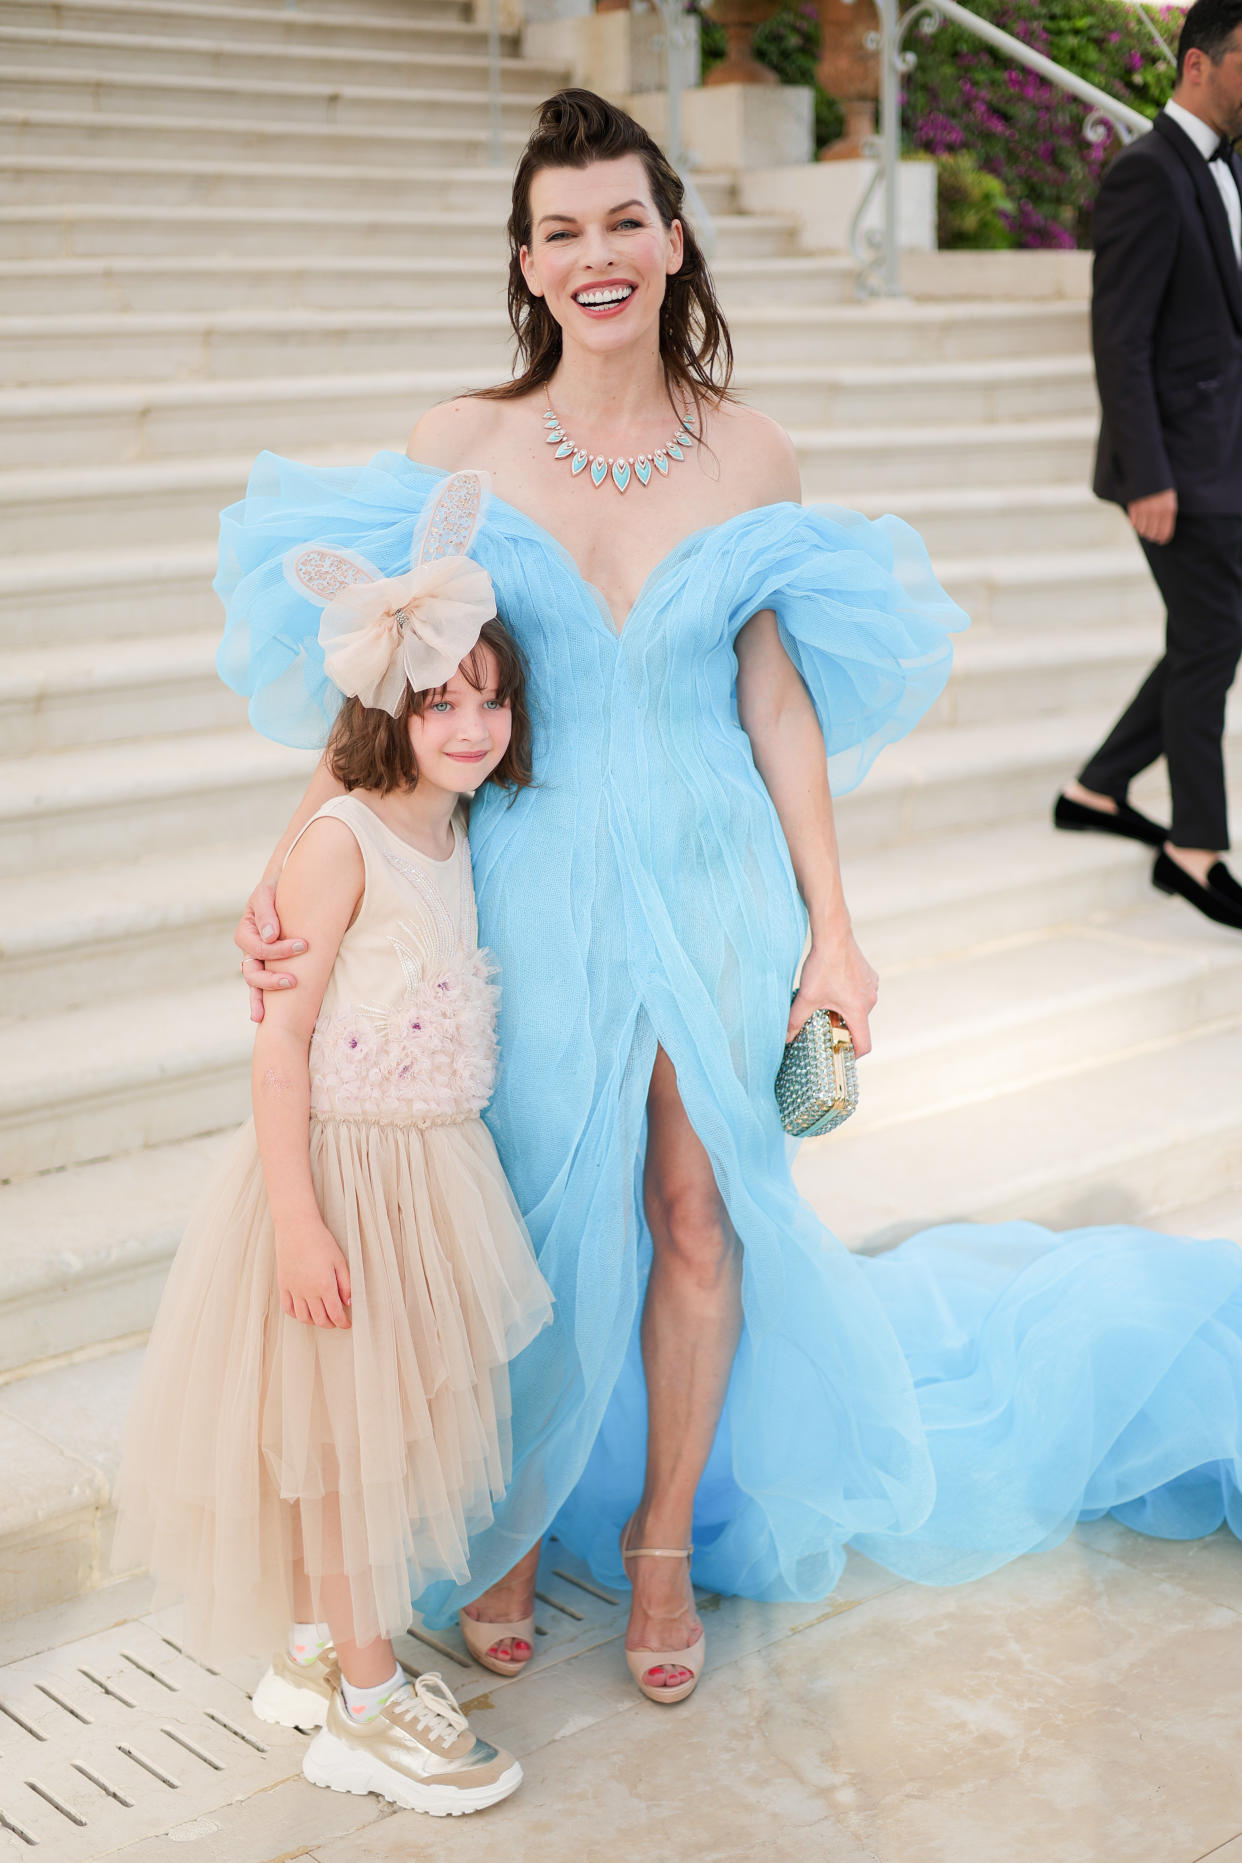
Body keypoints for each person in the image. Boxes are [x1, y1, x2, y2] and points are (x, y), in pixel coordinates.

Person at [227, 91, 1242, 1713]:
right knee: (540, 1221)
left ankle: (650, 1541)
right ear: (528, 263)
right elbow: (383, 682)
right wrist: (292, 879)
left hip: (713, 880)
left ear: (672, 236)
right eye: (562, 230)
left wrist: (834, 927)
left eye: (623, 219)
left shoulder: (749, 448)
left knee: (697, 1216)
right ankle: (506, 1520)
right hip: (538, 887)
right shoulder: (461, 446)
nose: (597, 254)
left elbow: (775, 702)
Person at [113, 470, 551, 1814]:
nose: (470, 723)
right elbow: (279, 1042)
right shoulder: (345, 838)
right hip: (343, 1178)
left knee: (381, 1428)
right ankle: (367, 1704)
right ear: (385, 708)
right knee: (352, 1448)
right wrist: (300, 1217)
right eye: (439, 699)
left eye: (489, 696)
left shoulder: (453, 820)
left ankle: (319, 1646)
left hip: (431, 1166)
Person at [1057, 0, 1242, 931]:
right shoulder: (1145, 175)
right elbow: (1118, 341)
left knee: (1206, 635)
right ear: (1199, 63)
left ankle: (1097, 788)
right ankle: (1194, 846)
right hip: (1175, 468)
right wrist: (1148, 475)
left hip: (1226, 459)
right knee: (1215, 640)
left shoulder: (1229, 166)